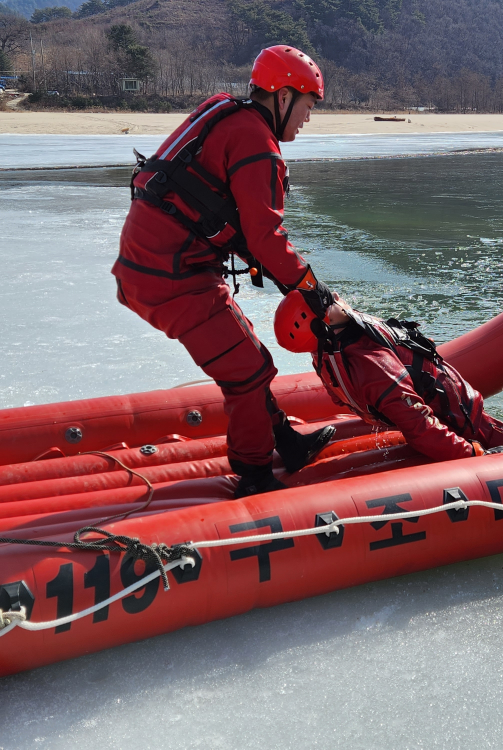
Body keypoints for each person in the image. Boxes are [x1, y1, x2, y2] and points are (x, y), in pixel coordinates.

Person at [112, 45, 336, 497]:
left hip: (154, 265)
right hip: (171, 276)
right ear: (284, 97)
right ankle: (253, 476)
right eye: (308, 105)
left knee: (247, 353)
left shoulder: (227, 112)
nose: (308, 118)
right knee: (249, 371)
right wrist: (316, 292)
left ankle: (286, 444)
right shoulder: (257, 143)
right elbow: (265, 237)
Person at [274, 292, 503, 461]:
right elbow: (419, 425)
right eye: (328, 301)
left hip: (443, 419)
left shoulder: (325, 355)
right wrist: (474, 452)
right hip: (465, 424)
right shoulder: (371, 362)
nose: (336, 295)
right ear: (321, 324)